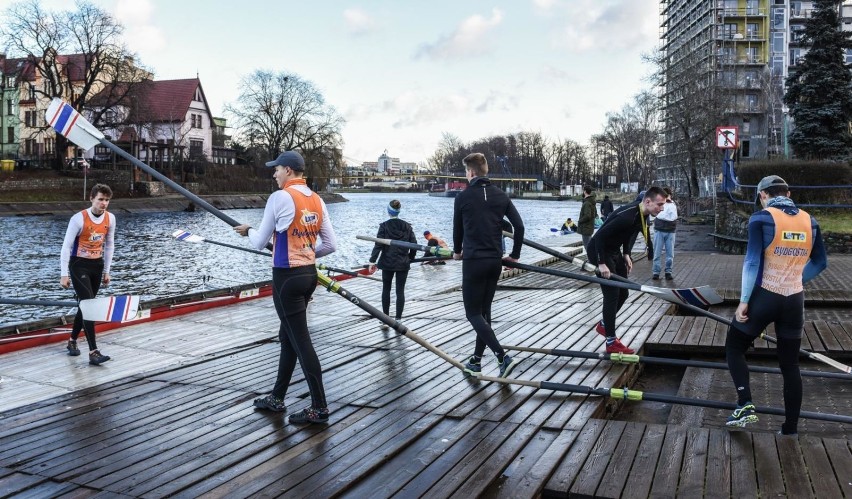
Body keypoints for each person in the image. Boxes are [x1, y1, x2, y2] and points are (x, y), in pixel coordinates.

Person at [234, 151, 337, 425]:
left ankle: (319, 407)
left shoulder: (279, 198)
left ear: (289, 171)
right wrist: (306, 253)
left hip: (286, 279)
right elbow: (330, 245)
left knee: (301, 341)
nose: (274, 174)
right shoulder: (317, 200)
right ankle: (277, 397)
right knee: (288, 336)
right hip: (308, 276)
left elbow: (259, 242)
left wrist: (249, 230)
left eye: (277, 169)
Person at [724, 175, 827, 434]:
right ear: (788, 194)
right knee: (790, 365)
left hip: (765, 296)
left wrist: (744, 301)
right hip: (794, 300)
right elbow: (821, 263)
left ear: (762, 196)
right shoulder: (810, 221)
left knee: (734, 347)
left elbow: (751, 263)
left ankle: (745, 403)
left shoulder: (761, 218)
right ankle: (790, 428)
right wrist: (796, 277)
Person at [453, 152, 525, 378]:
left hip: (473, 261)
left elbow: (458, 231)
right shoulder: (501, 195)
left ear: (471, 172)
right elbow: (519, 227)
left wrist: (457, 252)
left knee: (473, 313)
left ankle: (502, 357)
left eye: (466, 171)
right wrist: (514, 255)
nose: (466, 175)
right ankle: (475, 360)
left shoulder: (462, 198)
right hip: (495, 261)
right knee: (484, 312)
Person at [586, 186, 666, 354]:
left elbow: (627, 235)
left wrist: (627, 254)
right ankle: (611, 342)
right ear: (648, 201)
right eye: (659, 204)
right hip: (599, 251)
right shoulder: (627, 215)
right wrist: (601, 263)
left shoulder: (641, 215)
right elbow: (599, 236)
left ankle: (604, 325)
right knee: (612, 293)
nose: (662, 208)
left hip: (613, 251)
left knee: (624, 293)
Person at [60, 184, 116, 366]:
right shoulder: (78, 219)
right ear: (91, 198)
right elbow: (66, 247)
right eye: (100, 199)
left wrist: (107, 271)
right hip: (78, 265)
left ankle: (72, 340)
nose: (104, 203)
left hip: (97, 266)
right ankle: (93, 352)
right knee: (89, 305)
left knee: (85, 305)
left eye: (107, 200)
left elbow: (109, 245)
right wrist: (64, 274)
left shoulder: (111, 218)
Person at [369, 200, 417, 329]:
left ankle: (385, 320)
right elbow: (414, 245)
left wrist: (372, 261)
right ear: (399, 211)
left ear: (388, 211)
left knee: (386, 289)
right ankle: (399, 319)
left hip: (387, 262)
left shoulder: (384, 226)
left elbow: (378, 244)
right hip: (403, 263)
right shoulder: (407, 226)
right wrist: (410, 258)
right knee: (400, 291)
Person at [652, 187, 678, 280]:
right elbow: (658, 215)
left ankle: (668, 272)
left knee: (670, 254)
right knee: (657, 253)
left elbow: (673, 217)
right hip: (660, 230)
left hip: (670, 231)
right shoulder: (659, 204)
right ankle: (656, 272)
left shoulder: (672, 204)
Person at [577, 185, 597, 252]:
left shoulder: (587, 203)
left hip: (586, 228)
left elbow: (587, 216)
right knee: (589, 245)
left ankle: (591, 261)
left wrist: (580, 221)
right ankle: (593, 260)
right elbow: (595, 214)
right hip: (590, 227)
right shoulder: (592, 202)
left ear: (585, 191)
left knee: (587, 246)